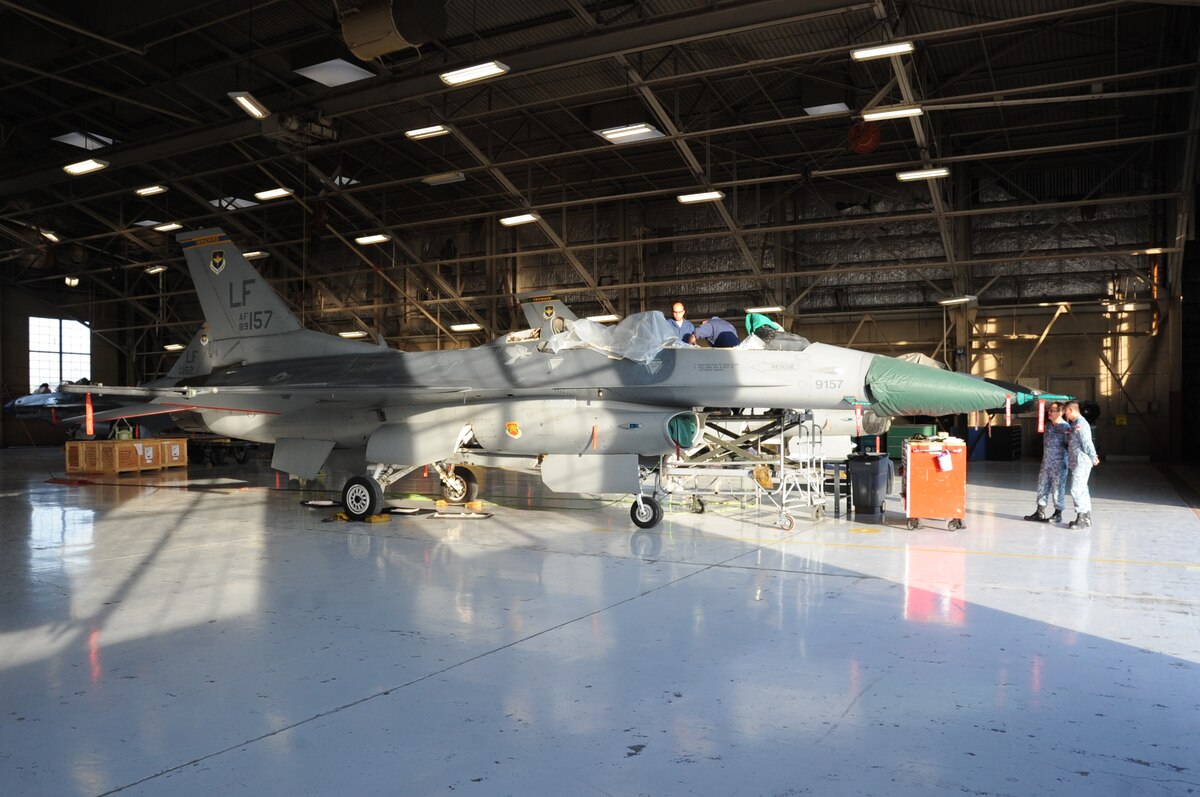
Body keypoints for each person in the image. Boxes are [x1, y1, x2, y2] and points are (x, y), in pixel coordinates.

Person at [1023, 401, 1069, 523]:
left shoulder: (1065, 428)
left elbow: (1069, 446)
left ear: (1061, 412)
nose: (1049, 412)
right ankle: (1040, 512)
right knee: (1042, 486)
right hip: (1046, 463)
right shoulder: (1048, 425)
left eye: (1053, 410)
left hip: (1059, 464)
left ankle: (1058, 513)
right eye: (1049, 410)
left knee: (1058, 489)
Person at [1062, 400, 1100, 529]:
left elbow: (1086, 441)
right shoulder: (1075, 423)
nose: (1065, 414)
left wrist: (1093, 456)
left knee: (1076, 489)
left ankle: (1081, 517)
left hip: (1081, 461)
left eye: (1065, 411)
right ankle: (1086, 517)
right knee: (1082, 489)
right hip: (1077, 461)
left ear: (1070, 410)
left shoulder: (1080, 424)